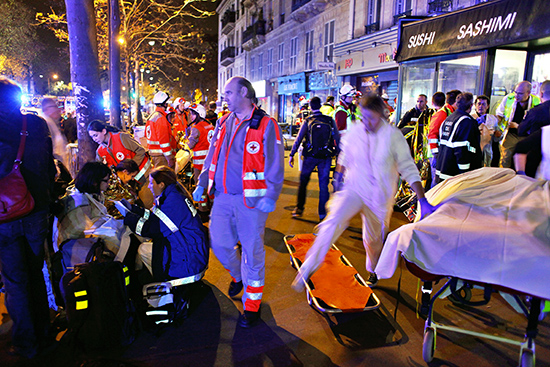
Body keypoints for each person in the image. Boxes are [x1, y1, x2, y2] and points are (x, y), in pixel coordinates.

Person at [292, 94, 435, 291]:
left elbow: (408, 167)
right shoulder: (356, 131)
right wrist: (337, 178)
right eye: (363, 117)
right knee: (332, 223)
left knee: (372, 240)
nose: (367, 123)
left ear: (382, 115)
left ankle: (373, 270)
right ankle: (307, 268)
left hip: (379, 197)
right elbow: (344, 156)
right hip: (355, 188)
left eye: (372, 118)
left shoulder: (393, 136)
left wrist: (422, 199)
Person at [193, 76, 284, 328]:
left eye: (229, 93)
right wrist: (202, 182)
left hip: (251, 202)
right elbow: (212, 154)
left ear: (244, 92)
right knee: (220, 244)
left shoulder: (266, 125)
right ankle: (237, 276)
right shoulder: (223, 122)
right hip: (221, 197)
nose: (225, 98)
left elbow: (275, 163)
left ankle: (252, 306)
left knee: (252, 253)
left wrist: (271, 195)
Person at [0, 77, 56, 358]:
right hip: (37, 211)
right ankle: (45, 334)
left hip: (4, 217)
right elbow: (50, 169)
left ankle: (26, 343)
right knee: (36, 272)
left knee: (15, 280)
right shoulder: (35, 125)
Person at [121, 166, 209, 282]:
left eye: (152, 184)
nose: (149, 186)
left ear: (161, 184)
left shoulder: (173, 202)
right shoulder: (171, 196)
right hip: (190, 251)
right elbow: (155, 218)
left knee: (144, 249)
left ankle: (167, 284)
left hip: (189, 262)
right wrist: (134, 209)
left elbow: (151, 229)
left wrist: (128, 217)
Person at [289, 96, 340, 220]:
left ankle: (299, 208)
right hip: (325, 156)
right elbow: (337, 138)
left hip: (310, 156)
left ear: (311, 107)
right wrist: (338, 154)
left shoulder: (308, 120)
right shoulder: (329, 120)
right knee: (324, 185)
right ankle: (323, 214)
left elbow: (299, 138)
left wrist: (292, 154)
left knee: (303, 182)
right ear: (320, 106)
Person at [56, 162, 122, 254]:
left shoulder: (92, 194)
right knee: (117, 239)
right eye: (106, 181)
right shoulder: (78, 200)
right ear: (95, 182)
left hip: (90, 236)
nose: (108, 184)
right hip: (76, 247)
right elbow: (79, 230)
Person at [88, 119, 154, 209]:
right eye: (92, 137)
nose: (94, 139)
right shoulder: (100, 152)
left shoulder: (122, 137)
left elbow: (141, 151)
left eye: (95, 135)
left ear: (103, 131)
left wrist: (131, 167)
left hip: (143, 176)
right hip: (128, 184)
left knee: (147, 204)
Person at [435, 92, 486, 183]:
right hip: (456, 176)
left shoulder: (449, 119)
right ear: (471, 106)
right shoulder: (465, 122)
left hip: (443, 171)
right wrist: (465, 174)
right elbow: (461, 150)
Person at [496, 81, 540, 168]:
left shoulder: (536, 101)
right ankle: (504, 178)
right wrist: (497, 129)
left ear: (528, 93)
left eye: (520, 93)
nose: (516, 95)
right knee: (505, 159)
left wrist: (517, 126)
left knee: (525, 161)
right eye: (515, 92)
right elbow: (499, 115)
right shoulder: (508, 98)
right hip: (510, 134)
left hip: (527, 135)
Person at [427, 89, 461, 176]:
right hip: (436, 153)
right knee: (436, 180)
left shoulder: (450, 113)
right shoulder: (442, 114)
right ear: (456, 102)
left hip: (442, 153)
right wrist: (435, 154)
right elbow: (432, 135)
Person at [146, 91, 178, 169]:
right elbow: (164, 141)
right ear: (165, 103)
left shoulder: (152, 116)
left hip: (155, 155)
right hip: (162, 156)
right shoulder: (161, 118)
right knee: (164, 179)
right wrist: (169, 158)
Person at [185, 103, 215, 184]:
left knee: (199, 183)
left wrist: (185, 143)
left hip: (199, 163)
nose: (191, 116)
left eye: (193, 114)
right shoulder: (210, 125)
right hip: (210, 160)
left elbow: (190, 144)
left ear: (200, 114)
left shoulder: (196, 128)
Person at [471, 95, 501, 167]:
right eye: (479, 104)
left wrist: (498, 135)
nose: (481, 106)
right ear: (475, 105)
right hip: (474, 150)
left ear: (488, 106)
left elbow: (497, 139)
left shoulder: (493, 119)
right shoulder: (470, 118)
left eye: (483, 104)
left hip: (487, 151)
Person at [40, 97, 69, 167]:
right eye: (54, 106)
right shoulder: (45, 123)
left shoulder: (52, 123)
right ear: (46, 109)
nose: (57, 109)